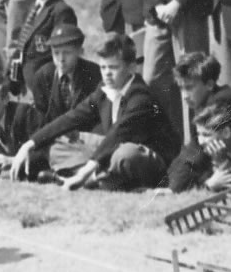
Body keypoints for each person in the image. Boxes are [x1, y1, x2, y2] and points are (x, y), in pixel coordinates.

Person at [14, 33, 179, 191]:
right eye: (103, 67)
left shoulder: (140, 96)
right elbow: (72, 117)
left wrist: (84, 174)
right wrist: (29, 144)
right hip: (112, 149)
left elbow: (117, 134)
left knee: (125, 154)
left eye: (113, 67)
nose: (107, 73)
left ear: (131, 68)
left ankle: (87, 178)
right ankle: (98, 177)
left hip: (149, 160)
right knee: (60, 140)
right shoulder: (104, 90)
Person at [165, 52, 231, 193]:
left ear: (210, 84)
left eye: (189, 87)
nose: (184, 95)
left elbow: (195, 153)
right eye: (181, 88)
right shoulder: (203, 101)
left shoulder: (219, 104)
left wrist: (174, 188)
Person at [6, 0, 77, 94]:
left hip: (47, 85)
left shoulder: (61, 11)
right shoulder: (35, 6)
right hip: (28, 81)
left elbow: (63, 53)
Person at [26, 23, 102, 124]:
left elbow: (99, 116)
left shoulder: (94, 74)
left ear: (80, 51)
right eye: (56, 53)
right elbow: (40, 119)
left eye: (67, 53)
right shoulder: (42, 77)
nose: (61, 59)